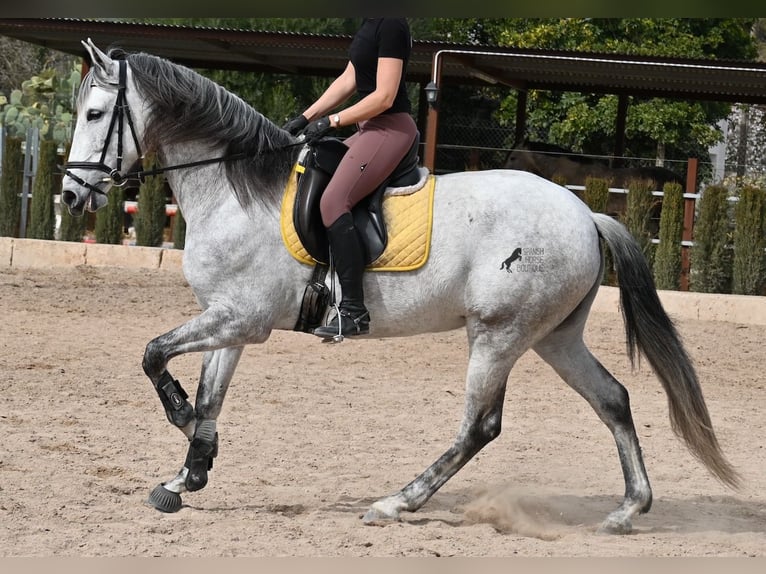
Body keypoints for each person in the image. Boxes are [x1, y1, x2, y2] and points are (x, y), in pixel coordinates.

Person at [283, 18, 418, 339]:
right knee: (312, 170)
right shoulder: (370, 23)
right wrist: (305, 118)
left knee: (333, 201)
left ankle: (354, 312)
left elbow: (385, 96)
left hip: (390, 127)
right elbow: (349, 79)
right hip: (369, 129)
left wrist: (333, 121)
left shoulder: (392, 24)